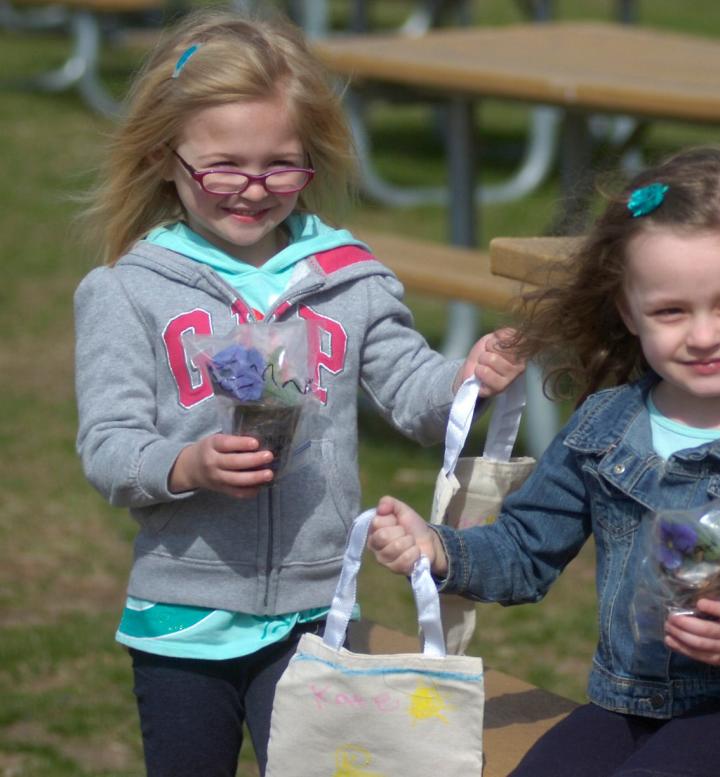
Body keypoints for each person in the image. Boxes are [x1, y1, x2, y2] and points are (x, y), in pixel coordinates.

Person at [72, 8, 523, 776]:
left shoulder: (349, 277)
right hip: (182, 623)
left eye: (281, 165)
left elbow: (412, 391)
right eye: (224, 167)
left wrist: (465, 375)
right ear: (162, 157)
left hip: (318, 615)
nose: (253, 189)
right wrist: (187, 466)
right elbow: (109, 446)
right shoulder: (128, 291)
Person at [368, 146, 720, 777]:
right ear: (629, 312)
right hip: (628, 701)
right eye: (672, 311)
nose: (703, 335)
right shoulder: (604, 426)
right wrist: (441, 551)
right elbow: (526, 548)